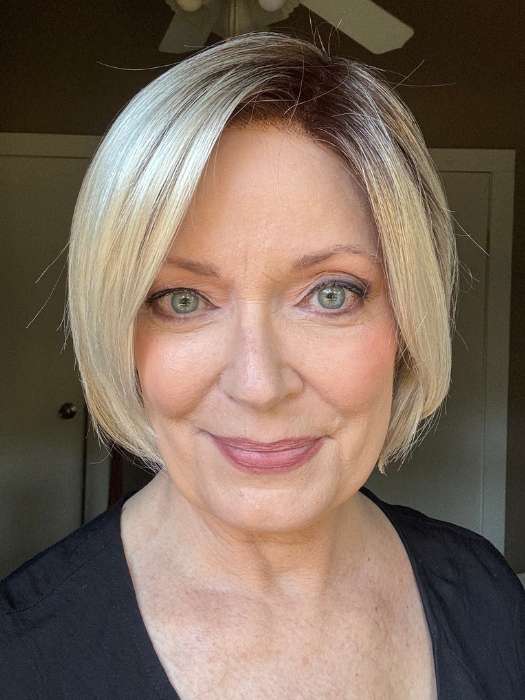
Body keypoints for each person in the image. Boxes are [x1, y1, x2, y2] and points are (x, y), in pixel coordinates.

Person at [1, 31, 523, 699]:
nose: (258, 385)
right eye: (182, 299)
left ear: (407, 322)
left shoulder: (484, 593)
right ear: (119, 330)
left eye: (331, 294)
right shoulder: (21, 659)